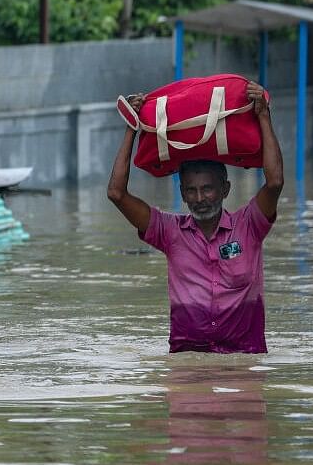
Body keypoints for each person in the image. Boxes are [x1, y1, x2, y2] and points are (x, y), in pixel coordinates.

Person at [107, 81, 283, 353]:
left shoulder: (249, 226)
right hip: (186, 362)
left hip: (244, 359)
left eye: (207, 189)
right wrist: (131, 127)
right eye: (191, 190)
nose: (199, 199)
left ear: (225, 189)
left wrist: (262, 115)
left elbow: (274, 183)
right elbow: (116, 194)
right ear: (183, 193)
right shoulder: (169, 232)